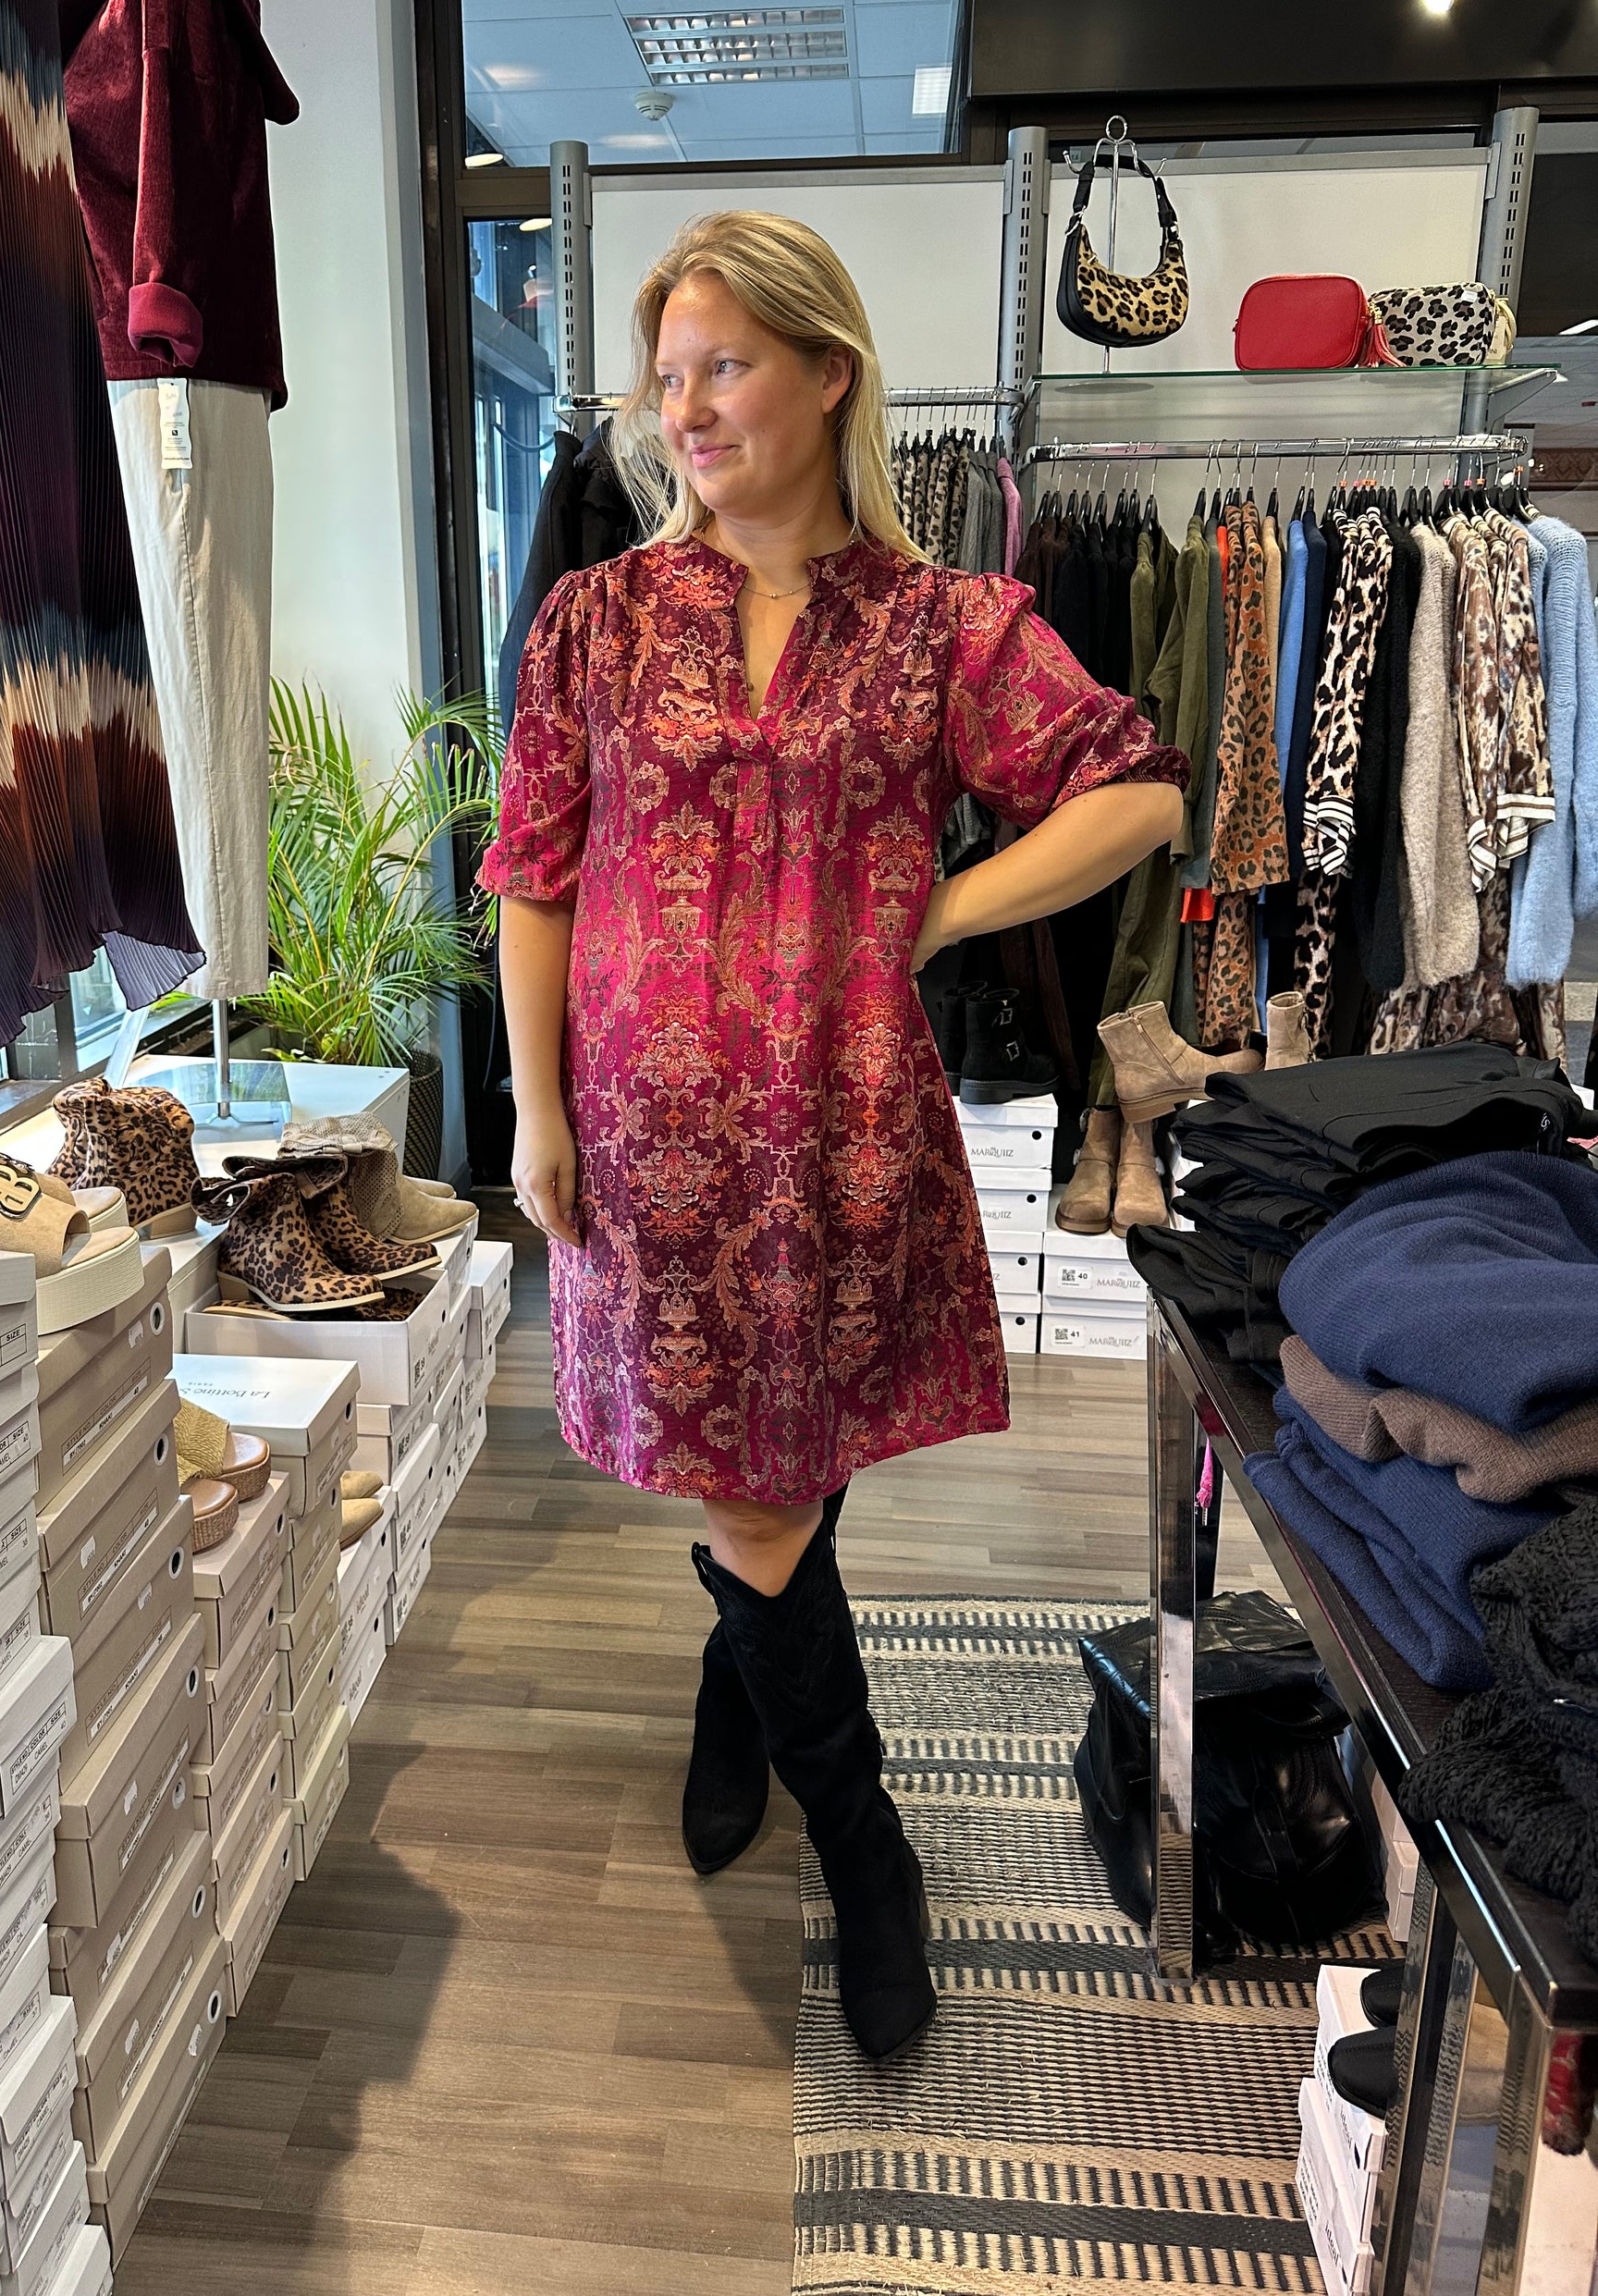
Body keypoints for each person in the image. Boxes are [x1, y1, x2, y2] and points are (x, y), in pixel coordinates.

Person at [478, 211, 1186, 2061]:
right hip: (648, 1145)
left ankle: (750, 1696)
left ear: (826, 374)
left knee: (782, 1473)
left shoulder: (946, 624)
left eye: (724, 365)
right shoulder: (597, 615)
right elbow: (533, 877)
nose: (687, 407)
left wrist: (939, 909)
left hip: (850, 1135)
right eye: (668, 375)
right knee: (758, 1485)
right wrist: (535, 1106)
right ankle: (866, 1841)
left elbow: (1137, 789)